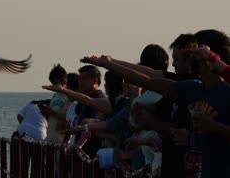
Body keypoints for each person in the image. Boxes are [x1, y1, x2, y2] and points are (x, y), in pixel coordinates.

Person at [81, 44, 230, 178]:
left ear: (210, 61)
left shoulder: (225, 93)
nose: (193, 60)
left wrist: (213, 127)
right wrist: (108, 64)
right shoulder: (194, 89)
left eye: (197, 55)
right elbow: (147, 81)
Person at [44, 64, 69, 144]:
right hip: (50, 139)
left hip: (61, 141)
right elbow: (51, 117)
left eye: (54, 82)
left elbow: (69, 118)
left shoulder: (69, 96)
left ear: (63, 80)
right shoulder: (55, 95)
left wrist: (52, 112)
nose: (52, 84)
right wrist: (46, 113)